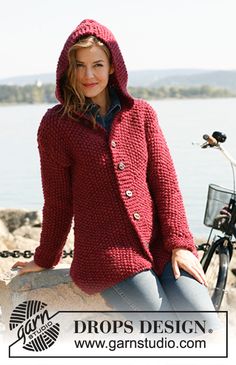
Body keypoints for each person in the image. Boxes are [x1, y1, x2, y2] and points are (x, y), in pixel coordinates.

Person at [12, 19, 220, 329]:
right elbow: (58, 202)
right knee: (165, 329)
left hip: (159, 246)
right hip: (108, 258)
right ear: (68, 69)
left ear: (113, 66)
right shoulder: (56, 126)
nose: (88, 75)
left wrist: (180, 244)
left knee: (207, 324)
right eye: (79, 66)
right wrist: (45, 258)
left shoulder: (141, 114)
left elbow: (165, 184)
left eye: (97, 64)